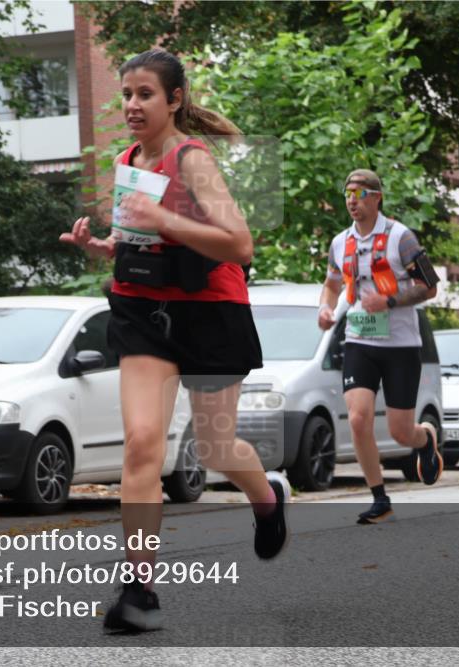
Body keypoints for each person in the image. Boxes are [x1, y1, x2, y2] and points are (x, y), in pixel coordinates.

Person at [60, 49, 289, 633]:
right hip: (144, 311)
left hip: (211, 313)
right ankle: (139, 591)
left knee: (215, 450)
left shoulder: (193, 160)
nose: (132, 106)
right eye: (127, 95)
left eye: (145, 95)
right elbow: (139, 236)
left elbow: (238, 244)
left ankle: (266, 500)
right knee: (142, 444)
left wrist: (164, 221)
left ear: (174, 100)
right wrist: (107, 246)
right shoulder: (127, 159)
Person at [317, 169, 442, 524]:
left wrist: (388, 302)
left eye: (359, 193)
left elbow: (430, 286)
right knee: (358, 418)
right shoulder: (340, 242)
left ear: (376, 197)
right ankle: (379, 498)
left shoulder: (401, 237)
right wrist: (325, 309)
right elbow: (330, 285)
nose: (352, 201)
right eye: (347, 194)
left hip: (401, 344)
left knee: (401, 432)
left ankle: (425, 439)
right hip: (359, 340)